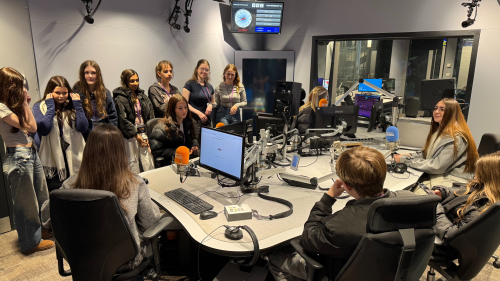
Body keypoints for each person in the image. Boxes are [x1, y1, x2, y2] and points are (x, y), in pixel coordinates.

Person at [267, 146, 416, 280]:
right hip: (390, 272)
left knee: (274, 256)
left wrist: (328, 198)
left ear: (346, 186)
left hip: (337, 273)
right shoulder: (411, 203)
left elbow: (308, 237)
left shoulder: (339, 226)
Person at [41, 124, 161, 272]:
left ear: (89, 150)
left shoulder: (71, 184)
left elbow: (45, 217)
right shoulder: (135, 183)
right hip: (125, 262)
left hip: (82, 260)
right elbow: (150, 223)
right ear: (120, 151)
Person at [0, 67, 53, 253]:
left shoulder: (13, 105)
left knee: (42, 196)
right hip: (18, 157)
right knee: (26, 204)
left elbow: (33, 126)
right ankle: (30, 242)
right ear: (9, 85)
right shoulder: (1, 106)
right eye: (19, 84)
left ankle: (43, 231)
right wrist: (24, 103)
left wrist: (25, 104)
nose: (22, 88)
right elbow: (31, 127)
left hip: (31, 153)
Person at [394, 98, 479, 187]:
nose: (436, 111)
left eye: (442, 109)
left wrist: (406, 161)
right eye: (435, 108)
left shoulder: (456, 138)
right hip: (441, 176)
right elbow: (428, 154)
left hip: (452, 181)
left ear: (452, 113)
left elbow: (437, 166)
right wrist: (408, 156)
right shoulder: (439, 131)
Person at [432, 151, 500, 259]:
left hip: (442, 245)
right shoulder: (480, 187)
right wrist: (442, 191)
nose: (474, 177)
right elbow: (461, 192)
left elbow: (450, 236)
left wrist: (434, 207)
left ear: (489, 178)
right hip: (440, 222)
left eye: (478, 174)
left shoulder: (478, 211)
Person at [33, 76, 88, 192]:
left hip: (73, 154)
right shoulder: (39, 107)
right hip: (53, 159)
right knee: (57, 192)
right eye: (57, 93)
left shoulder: (73, 106)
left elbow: (83, 127)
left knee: (77, 190)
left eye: (65, 92)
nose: (61, 96)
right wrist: (51, 107)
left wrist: (78, 105)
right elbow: (45, 129)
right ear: (49, 92)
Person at [113, 69, 155, 173]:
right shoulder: (120, 98)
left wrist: (150, 135)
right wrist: (136, 135)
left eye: (137, 80)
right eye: (132, 81)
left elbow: (151, 116)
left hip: (144, 132)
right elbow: (122, 120)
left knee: (149, 163)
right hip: (130, 136)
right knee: (132, 164)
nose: (135, 83)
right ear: (125, 81)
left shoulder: (143, 96)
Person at [150, 94, 199, 167]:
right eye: (180, 108)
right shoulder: (160, 129)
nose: (184, 110)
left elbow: (193, 137)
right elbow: (157, 152)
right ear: (173, 109)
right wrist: (179, 152)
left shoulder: (187, 122)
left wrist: (194, 145)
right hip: (171, 163)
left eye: (185, 107)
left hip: (187, 160)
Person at [73, 60, 118, 134]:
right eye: (86, 73)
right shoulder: (77, 93)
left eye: (93, 73)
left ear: (98, 74)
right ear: (82, 74)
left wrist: (111, 134)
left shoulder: (106, 93)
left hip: (103, 134)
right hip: (84, 134)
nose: (90, 76)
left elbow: (112, 116)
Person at [182, 59, 215, 142]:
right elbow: (185, 104)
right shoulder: (189, 84)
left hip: (207, 120)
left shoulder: (210, 86)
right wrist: (199, 113)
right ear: (197, 69)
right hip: (194, 121)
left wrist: (211, 105)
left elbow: (213, 102)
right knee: (195, 147)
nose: (204, 71)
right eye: (202, 69)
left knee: (208, 144)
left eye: (206, 70)